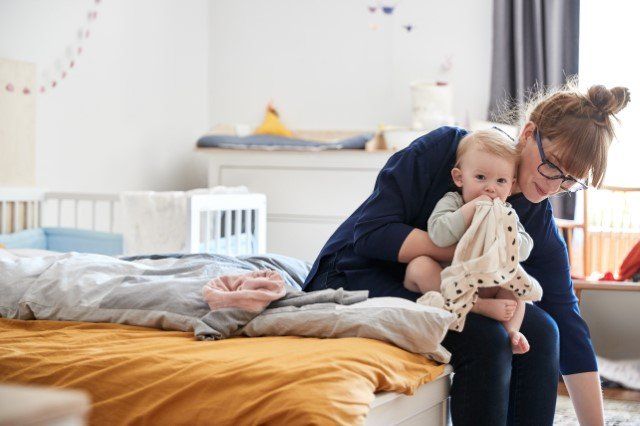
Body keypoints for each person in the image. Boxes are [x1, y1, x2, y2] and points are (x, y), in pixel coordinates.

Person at [303, 84, 630, 425]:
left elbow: (566, 317)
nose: (553, 187)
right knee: (486, 338)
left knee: (544, 332)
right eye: (553, 167)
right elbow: (371, 235)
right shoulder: (448, 149)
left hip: (437, 291)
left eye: (569, 181)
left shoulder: (535, 215)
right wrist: (468, 245)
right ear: (530, 132)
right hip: (350, 275)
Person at [405, 129, 533, 355]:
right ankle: (478, 307)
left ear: (511, 186)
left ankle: (512, 331)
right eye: (481, 177)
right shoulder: (453, 202)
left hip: (488, 282)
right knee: (418, 266)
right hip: (451, 283)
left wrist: (505, 234)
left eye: (500, 181)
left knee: (515, 280)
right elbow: (438, 234)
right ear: (459, 177)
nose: (490, 188)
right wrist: (469, 211)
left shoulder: (505, 212)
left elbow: (524, 248)